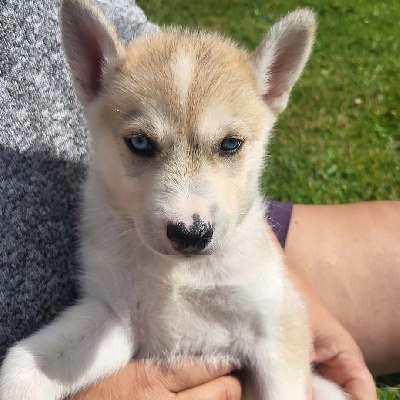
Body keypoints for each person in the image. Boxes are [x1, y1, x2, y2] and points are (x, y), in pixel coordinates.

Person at [0, 1, 398, 399]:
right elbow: (114, 322)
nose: (187, 218)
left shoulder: (245, 245)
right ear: (91, 77)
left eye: (229, 145)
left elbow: (273, 333)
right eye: (142, 144)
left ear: (273, 88)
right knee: (25, 371)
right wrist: (29, 376)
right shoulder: (106, 219)